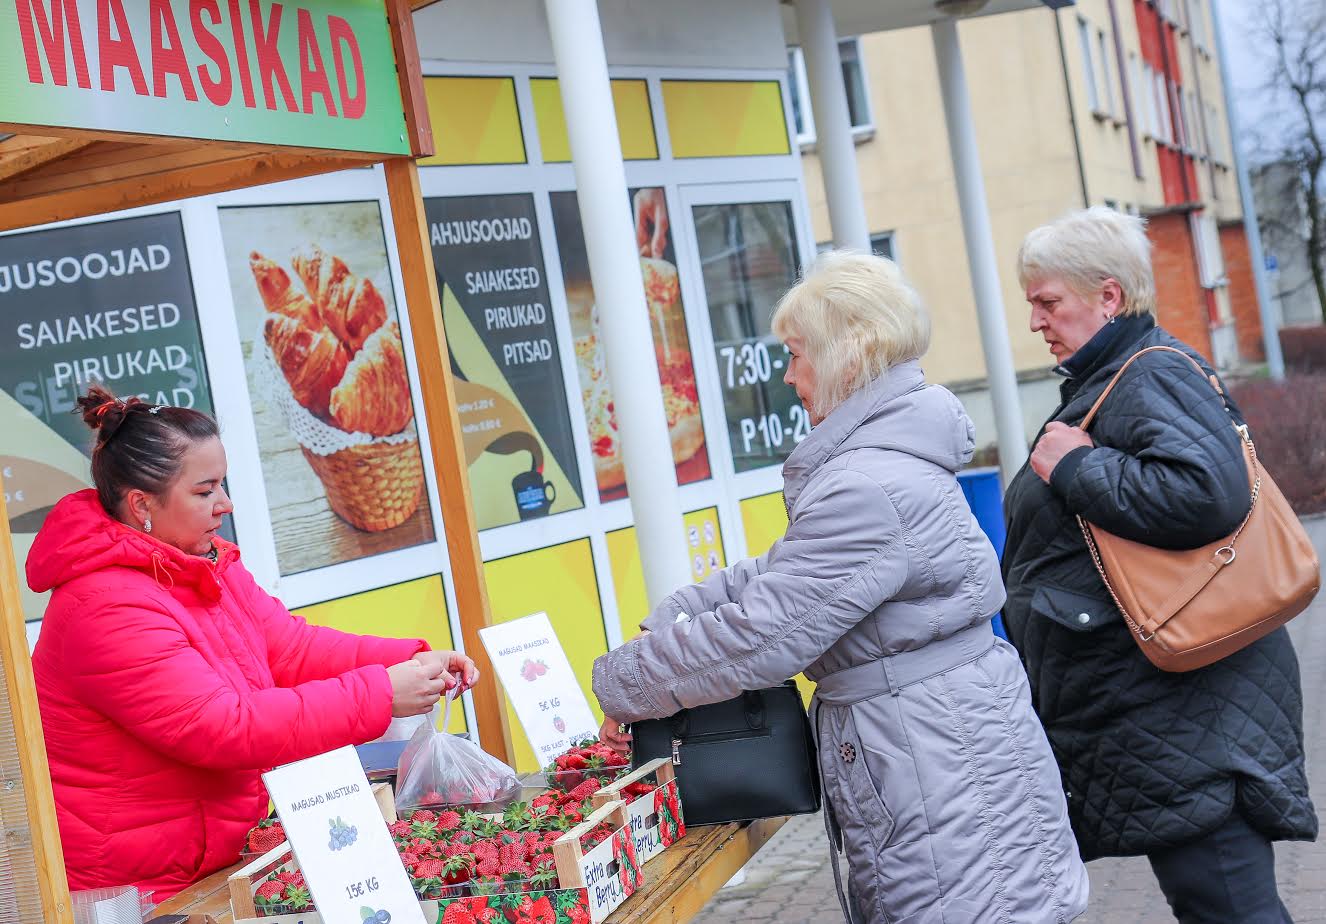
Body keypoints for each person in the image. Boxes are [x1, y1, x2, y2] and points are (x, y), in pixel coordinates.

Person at [593, 251, 1089, 924]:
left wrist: (622, 682)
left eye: (798, 354)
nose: (789, 375)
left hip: (930, 762)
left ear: (845, 357)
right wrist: (685, 608)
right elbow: (788, 571)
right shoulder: (881, 463)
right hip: (941, 745)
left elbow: (761, 636)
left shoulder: (865, 485)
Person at [29, 385, 479, 900]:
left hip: (213, 857)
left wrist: (408, 659)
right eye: (205, 492)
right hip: (138, 889)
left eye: (222, 485)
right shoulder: (103, 606)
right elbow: (222, 727)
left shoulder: (204, 564)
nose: (225, 504)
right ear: (141, 505)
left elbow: (291, 649)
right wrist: (379, 692)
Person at [1001, 207, 1316, 923]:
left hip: (1189, 715)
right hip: (1166, 710)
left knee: (1231, 905)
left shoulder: (1147, 376)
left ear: (1108, 297)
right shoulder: (1110, 378)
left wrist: (1077, 466)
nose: (1035, 323)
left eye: (1047, 302)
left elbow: (1208, 493)